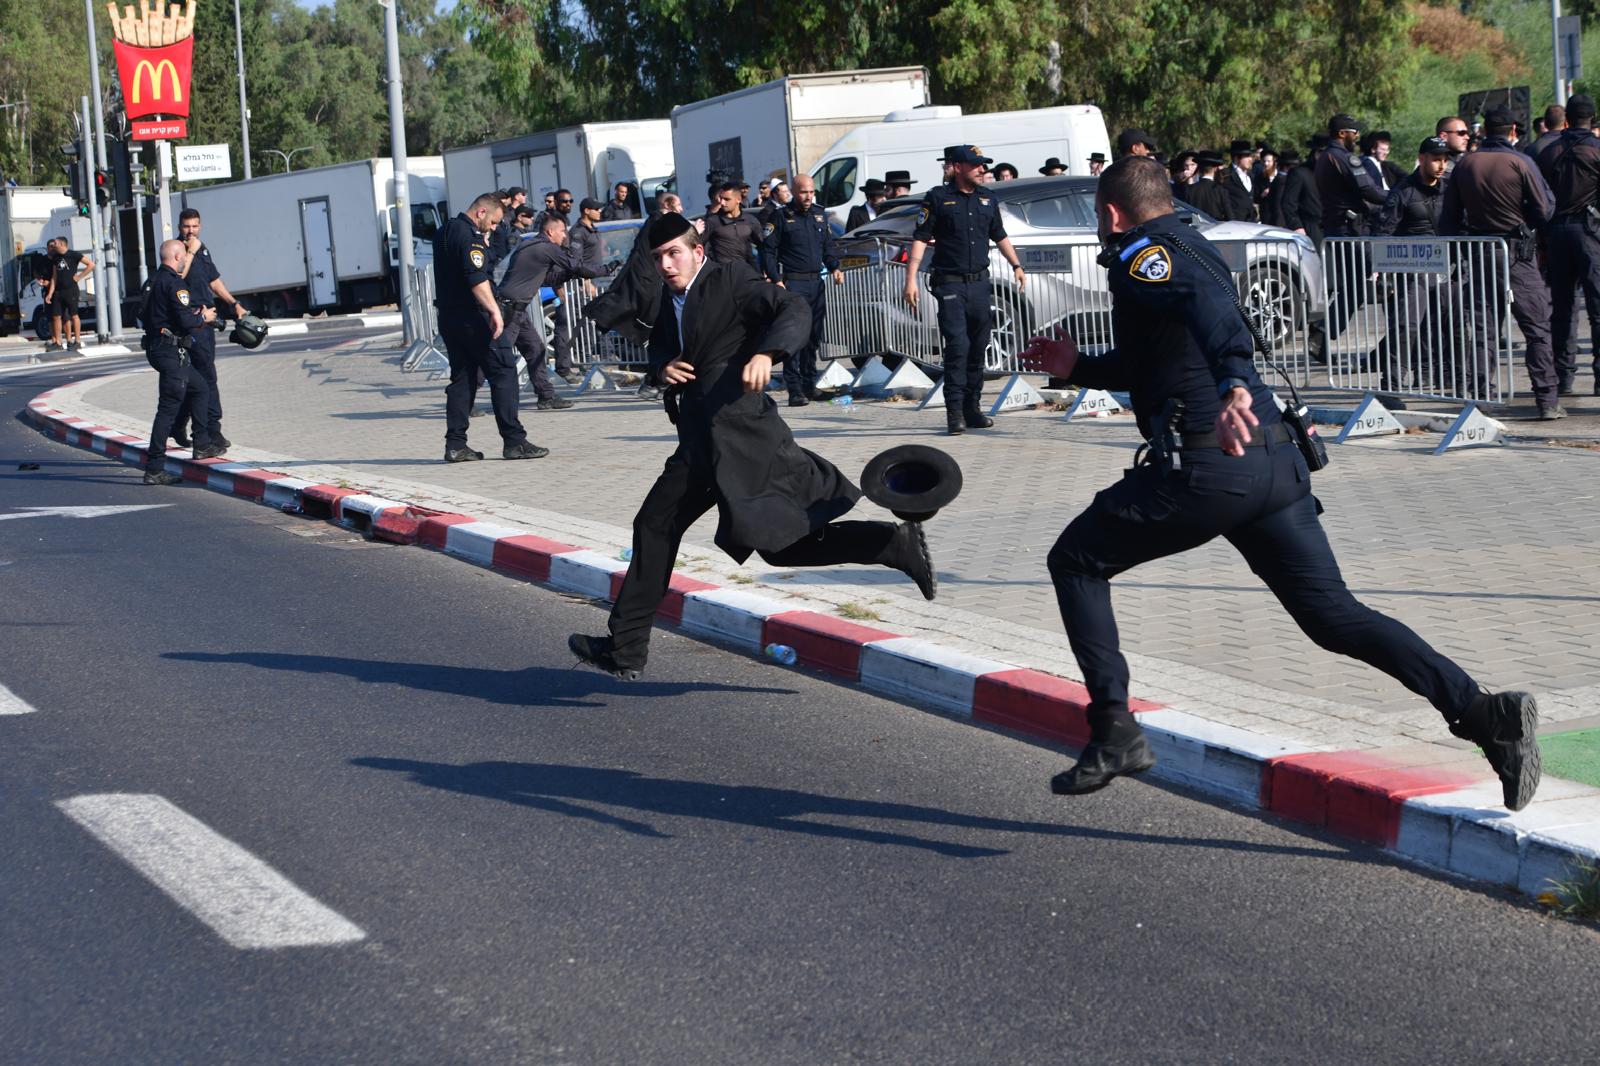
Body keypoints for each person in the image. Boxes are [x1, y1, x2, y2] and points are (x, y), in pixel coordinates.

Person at [1016, 156, 1541, 809]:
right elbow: (1162, 357)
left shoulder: (1143, 256)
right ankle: (1485, 715)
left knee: (1074, 560)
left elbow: (1211, 315)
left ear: (1110, 213)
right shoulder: (1194, 245)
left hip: (1210, 464)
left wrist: (1235, 379)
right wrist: (1078, 369)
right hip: (1274, 464)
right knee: (1334, 617)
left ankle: (1115, 729)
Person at [567, 213, 937, 680]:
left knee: (782, 550)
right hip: (699, 444)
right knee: (654, 526)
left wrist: (767, 353)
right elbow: (664, 347)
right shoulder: (669, 298)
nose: (665, 264)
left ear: (697, 251)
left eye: (674, 253)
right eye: (658, 256)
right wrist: (663, 369)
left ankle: (890, 542)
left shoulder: (731, 279)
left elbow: (792, 309)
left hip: (746, 442)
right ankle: (624, 648)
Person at [1442, 107, 1560, 418]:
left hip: (1480, 251)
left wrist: (1459, 255)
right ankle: (1547, 399)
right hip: (1517, 252)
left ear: (1484, 132)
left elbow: (1449, 218)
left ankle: (1482, 399)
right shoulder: (1520, 161)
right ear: (1511, 131)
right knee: (1536, 327)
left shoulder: (1465, 164)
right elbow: (1545, 209)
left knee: (1484, 329)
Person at [904, 145, 1026, 434]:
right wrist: (910, 279)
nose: (982, 170)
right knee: (958, 347)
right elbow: (921, 238)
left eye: (983, 165)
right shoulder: (937, 198)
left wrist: (1017, 265)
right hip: (949, 284)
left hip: (979, 284)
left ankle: (973, 408)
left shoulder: (988, 198)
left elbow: (1000, 235)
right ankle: (954, 412)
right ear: (958, 167)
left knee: (977, 349)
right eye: (975, 165)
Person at [433, 191, 543, 461]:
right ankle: (514, 441)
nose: (494, 228)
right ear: (481, 212)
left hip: (449, 316)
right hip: (475, 316)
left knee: (463, 378)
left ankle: (456, 445)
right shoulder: (469, 237)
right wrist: (494, 311)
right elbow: (476, 277)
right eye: (493, 222)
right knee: (504, 370)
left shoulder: (445, 231)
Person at [494, 213, 601, 415]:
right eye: (562, 231)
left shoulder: (533, 246)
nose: (565, 236)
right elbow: (576, 265)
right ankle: (467, 399)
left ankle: (546, 396)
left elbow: (549, 278)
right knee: (496, 354)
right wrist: (605, 269)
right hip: (510, 310)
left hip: (517, 310)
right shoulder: (546, 247)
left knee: (536, 348)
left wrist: (569, 274)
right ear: (550, 231)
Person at [1373, 137, 1453, 403]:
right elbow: (1384, 231)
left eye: (1445, 159)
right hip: (1412, 270)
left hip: (1446, 268)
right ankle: (1392, 384)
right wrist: (1381, 269)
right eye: (1435, 159)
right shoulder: (1403, 191)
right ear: (1421, 159)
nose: (1441, 165)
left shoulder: (1450, 188)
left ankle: (1431, 375)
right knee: (1406, 326)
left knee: (1445, 325)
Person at [585, 192, 685, 402]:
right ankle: (652, 382)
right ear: (668, 205)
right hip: (650, 291)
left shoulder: (654, 224)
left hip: (652, 289)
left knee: (663, 337)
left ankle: (657, 382)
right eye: (678, 205)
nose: (682, 210)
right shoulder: (659, 223)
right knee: (661, 337)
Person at [140, 239, 222, 485]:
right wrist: (203, 317)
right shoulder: (174, 283)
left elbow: (141, 313)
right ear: (176, 256)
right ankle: (154, 468)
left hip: (157, 347)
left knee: (200, 388)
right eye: (185, 255)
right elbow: (187, 321)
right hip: (170, 351)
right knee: (167, 409)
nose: (187, 259)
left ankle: (202, 444)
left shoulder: (151, 282)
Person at [1535, 93, 1600, 398]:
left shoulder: (1548, 152)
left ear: (1568, 120)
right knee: (1597, 309)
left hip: (1557, 233)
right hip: (1591, 235)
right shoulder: (1597, 150)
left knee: (1562, 308)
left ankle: (1564, 376)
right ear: (1593, 119)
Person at [761, 173, 844, 406]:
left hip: (816, 283)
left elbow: (827, 246)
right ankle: (795, 389)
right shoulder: (780, 216)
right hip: (793, 284)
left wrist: (835, 267)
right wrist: (776, 279)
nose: (808, 197)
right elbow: (768, 252)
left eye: (811, 192)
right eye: (803, 192)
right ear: (794, 193)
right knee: (795, 337)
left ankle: (810, 385)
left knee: (813, 337)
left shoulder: (819, 215)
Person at [171, 208, 247, 452]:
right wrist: (190, 252)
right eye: (186, 226)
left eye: (194, 226)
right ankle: (212, 431)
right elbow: (176, 277)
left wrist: (234, 304)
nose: (190, 231)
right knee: (205, 378)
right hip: (191, 320)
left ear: (200, 226)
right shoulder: (176, 250)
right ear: (179, 226)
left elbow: (213, 280)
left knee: (197, 379)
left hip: (207, 322)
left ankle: (179, 423)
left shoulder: (203, 249)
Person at [1316, 114, 1387, 237]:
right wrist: (1397, 196)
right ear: (1342, 134)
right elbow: (1368, 190)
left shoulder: (1325, 156)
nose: (1357, 136)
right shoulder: (1345, 158)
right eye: (1354, 132)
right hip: (1350, 229)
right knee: (1364, 257)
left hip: (1333, 226)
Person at [44, 237, 93, 352]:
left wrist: (79, 277)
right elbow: (54, 276)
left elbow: (91, 264)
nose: (53, 245)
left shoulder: (73, 255)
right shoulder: (55, 258)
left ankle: (77, 341)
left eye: (55, 243)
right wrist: (50, 293)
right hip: (58, 291)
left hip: (71, 290)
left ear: (61, 244)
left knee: (74, 315)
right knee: (56, 316)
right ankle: (58, 342)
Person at [702, 182, 763, 266]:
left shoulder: (750, 220)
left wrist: (764, 270)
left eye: (727, 199)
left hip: (748, 273)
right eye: (721, 198)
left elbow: (763, 246)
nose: (722, 203)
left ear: (738, 200)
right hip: (723, 274)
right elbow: (700, 247)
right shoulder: (712, 221)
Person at [1280, 138, 1325, 244]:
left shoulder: (1331, 174)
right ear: (1316, 154)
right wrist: (1297, 226)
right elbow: (1288, 203)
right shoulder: (1300, 173)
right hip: (1310, 228)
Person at [1183, 151, 1233, 219]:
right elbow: (1230, 216)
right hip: (1217, 227)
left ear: (1199, 169)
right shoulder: (1221, 190)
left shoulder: (1189, 189)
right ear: (1215, 169)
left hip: (1196, 228)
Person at [1215, 139, 1256, 221]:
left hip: (1251, 223)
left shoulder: (1250, 175)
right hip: (1234, 224)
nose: (1250, 159)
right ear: (1237, 158)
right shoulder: (1225, 175)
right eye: (1247, 156)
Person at [1254, 147, 1286, 227]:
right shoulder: (1260, 178)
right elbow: (1255, 198)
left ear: (1274, 162)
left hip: (1281, 217)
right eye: (1264, 161)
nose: (1266, 164)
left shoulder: (1281, 177)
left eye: (1269, 161)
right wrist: (1262, 194)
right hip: (1266, 217)